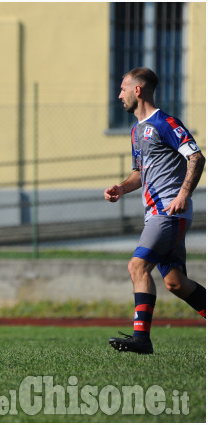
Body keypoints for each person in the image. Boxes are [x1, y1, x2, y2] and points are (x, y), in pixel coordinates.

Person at [105, 67, 206, 354]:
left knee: (137, 266)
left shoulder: (166, 122)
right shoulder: (137, 130)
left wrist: (183, 194)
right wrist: (122, 188)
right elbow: (140, 172)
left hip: (168, 213)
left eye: (123, 88)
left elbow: (196, 158)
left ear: (138, 90)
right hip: (155, 214)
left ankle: (141, 339)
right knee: (175, 283)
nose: (119, 94)